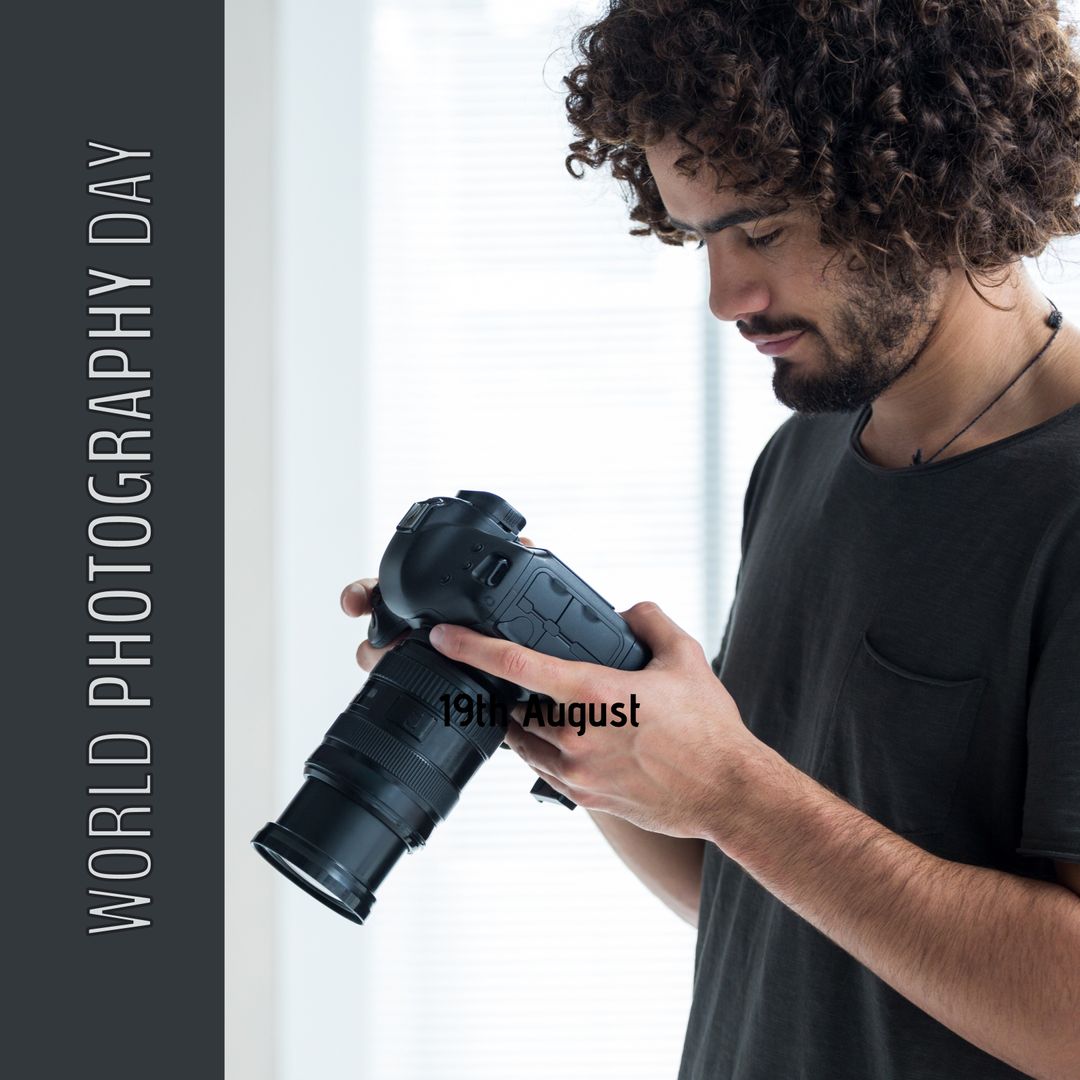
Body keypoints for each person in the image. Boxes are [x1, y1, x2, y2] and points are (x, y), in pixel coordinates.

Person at [342, 2, 1080, 1076]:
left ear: (928, 174)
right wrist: (545, 705)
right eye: (700, 236)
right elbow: (767, 897)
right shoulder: (809, 455)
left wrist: (735, 789)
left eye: (763, 228)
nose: (725, 294)